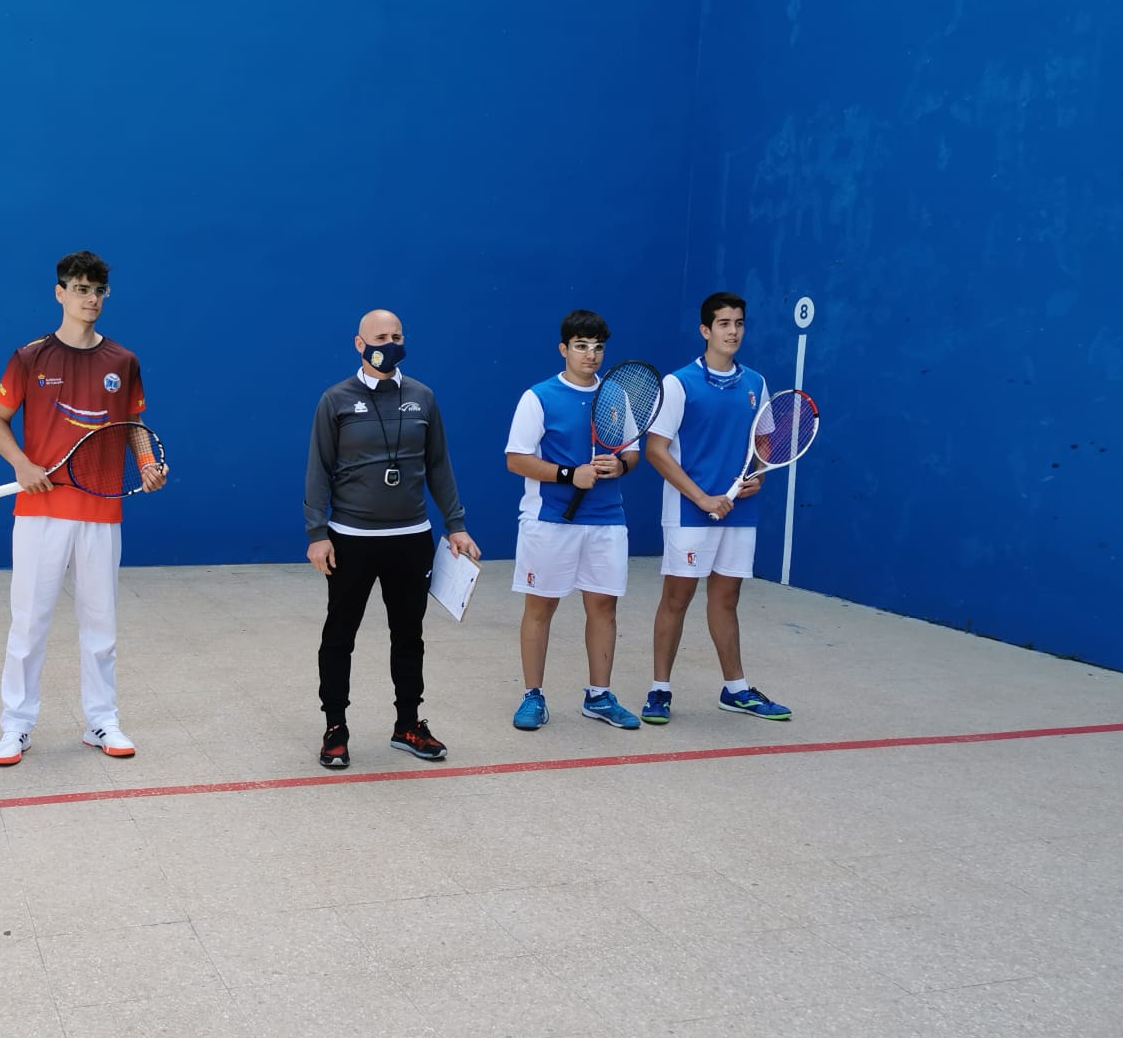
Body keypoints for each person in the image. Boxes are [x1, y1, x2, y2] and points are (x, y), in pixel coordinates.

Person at [0, 250, 166, 767]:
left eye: (98, 291)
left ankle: (101, 720)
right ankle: (16, 726)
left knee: (100, 626)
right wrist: (22, 464)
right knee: (28, 625)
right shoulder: (29, 357)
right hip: (39, 512)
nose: (91, 299)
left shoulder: (123, 362)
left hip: (100, 512)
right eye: (81, 289)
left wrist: (147, 464)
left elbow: (133, 427)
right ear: (60, 293)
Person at [304, 309, 480, 769]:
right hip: (351, 539)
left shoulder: (422, 397)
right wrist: (317, 533)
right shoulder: (335, 400)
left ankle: (407, 724)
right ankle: (335, 727)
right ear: (359, 344)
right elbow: (318, 470)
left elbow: (438, 465)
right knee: (339, 634)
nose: (390, 343)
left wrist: (456, 524)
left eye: (397, 336)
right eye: (380, 336)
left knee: (409, 635)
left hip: (411, 538)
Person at [643, 291, 791, 724]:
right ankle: (659, 690)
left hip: (739, 513)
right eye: (724, 324)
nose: (733, 331)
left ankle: (736, 690)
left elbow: (763, 442)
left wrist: (759, 475)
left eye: (739, 323)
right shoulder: (678, 384)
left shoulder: (756, 383)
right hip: (690, 511)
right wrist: (701, 497)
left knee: (727, 598)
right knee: (677, 598)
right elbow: (656, 450)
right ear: (705, 330)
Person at [503, 310, 642, 732]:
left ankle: (599, 696)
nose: (591, 355)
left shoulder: (617, 395)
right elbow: (516, 459)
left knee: (603, 607)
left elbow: (632, 451)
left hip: (607, 521)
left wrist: (621, 465)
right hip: (549, 521)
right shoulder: (538, 397)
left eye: (598, 347)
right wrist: (569, 474)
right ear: (564, 349)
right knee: (540, 607)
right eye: (581, 346)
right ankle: (532, 696)